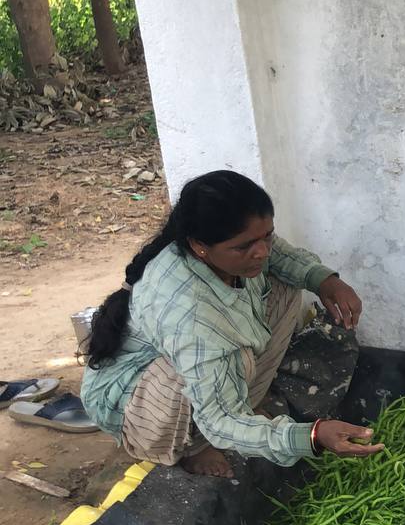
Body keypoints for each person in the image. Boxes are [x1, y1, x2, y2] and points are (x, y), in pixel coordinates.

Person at [82, 170, 384, 478]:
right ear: (200, 246)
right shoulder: (190, 313)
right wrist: (311, 436)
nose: (262, 251)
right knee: (234, 361)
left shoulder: (225, 253)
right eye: (245, 246)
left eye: (266, 236)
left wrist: (324, 281)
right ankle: (194, 444)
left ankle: (244, 410)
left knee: (286, 285)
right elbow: (218, 419)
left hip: (195, 361)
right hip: (141, 407)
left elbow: (277, 254)